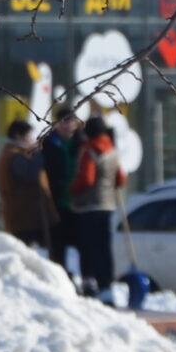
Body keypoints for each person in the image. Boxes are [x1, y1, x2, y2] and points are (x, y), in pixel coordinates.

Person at [70, 119, 126, 296]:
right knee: (104, 247)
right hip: (108, 205)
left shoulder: (89, 151)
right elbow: (121, 179)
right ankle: (106, 284)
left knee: (89, 247)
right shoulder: (113, 151)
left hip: (89, 205)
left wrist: (72, 189)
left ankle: (91, 282)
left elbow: (87, 179)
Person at [0, 117, 56, 255]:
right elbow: (30, 174)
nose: (32, 140)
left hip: (25, 218)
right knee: (28, 255)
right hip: (24, 220)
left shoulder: (16, 154)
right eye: (29, 135)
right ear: (18, 136)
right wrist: (39, 154)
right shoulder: (14, 156)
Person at [41, 105, 82, 274]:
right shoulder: (49, 143)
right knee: (58, 241)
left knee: (81, 241)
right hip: (57, 200)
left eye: (70, 121)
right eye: (63, 121)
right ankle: (60, 273)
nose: (67, 125)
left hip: (79, 200)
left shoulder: (81, 142)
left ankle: (83, 275)